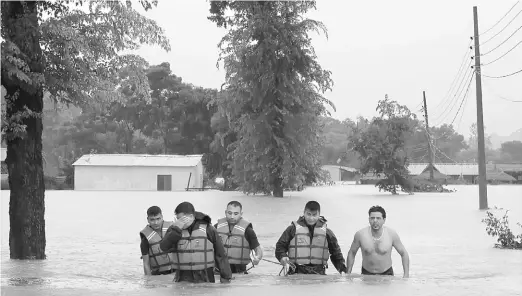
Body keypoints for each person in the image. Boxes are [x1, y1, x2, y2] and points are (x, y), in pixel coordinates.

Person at [159, 201, 232, 283]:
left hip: (205, 276)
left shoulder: (209, 229)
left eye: (181, 219)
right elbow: (163, 247)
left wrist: (225, 276)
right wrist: (176, 230)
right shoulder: (174, 229)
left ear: (190, 216)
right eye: (177, 218)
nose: (178, 221)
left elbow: (220, 254)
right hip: (182, 277)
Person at [275, 201, 347, 275]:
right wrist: (282, 257)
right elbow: (280, 247)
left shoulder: (327, 232)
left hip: (319, 274)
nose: (311, 218)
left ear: (319, 214)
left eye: (314, 215)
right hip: (296, 273)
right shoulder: (292, 229)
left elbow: (336, 254)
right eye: (308, 214)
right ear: (304, 213)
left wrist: (343, 271)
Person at [346, 205, 410, 278]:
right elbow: (352, 252)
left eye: (378, 218)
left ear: (384, 220)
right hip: (366, 273)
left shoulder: (391, 234)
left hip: (387, 273)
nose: (375, 221)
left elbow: (404, 253)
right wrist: (348, 274)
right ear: (369, 219)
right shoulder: (360, 234)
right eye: (372, 218)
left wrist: (406, 275)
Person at [214, 201, 264, 274]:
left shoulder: (248, 231)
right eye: (229, 213)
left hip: (239, 272)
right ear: (225, 212)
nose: (232, 216)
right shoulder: (215, 228)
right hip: (218, 272)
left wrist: (258, 258)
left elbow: (258, 249)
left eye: (236, 214)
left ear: (241, 214)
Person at [139, 206, 176, 275]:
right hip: (158, 275)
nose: (156, 222)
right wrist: (149, 282)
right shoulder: (145, 239)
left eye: (158, 219)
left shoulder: (173, 229)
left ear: (162, 217)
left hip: (176, 272)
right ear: (148, 219)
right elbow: (146, 263)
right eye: (152, 220)